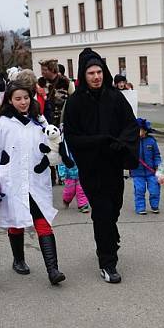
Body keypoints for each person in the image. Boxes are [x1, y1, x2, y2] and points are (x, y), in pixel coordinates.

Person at [63, 47, 139, 284]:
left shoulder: (115, 97)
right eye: (90, 73)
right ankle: (107, 262)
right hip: (91, 168)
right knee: (103, 212)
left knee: (114, 207)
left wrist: (121, 144)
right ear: (83, 76)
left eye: (98, 72)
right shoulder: (75, 103)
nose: (96, 77)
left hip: (113, 165)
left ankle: (110, 235)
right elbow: (72, 137)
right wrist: (99, 141)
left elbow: (131, 125)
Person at [0, 81, 66, 286]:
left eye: (26, 98)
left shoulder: (39, 122)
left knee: (43, 221)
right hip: (12, 180)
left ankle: (53, 269)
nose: (23, 102)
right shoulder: (0, 125)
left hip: (36, 180)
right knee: (16, 220)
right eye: (18, 98)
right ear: (10, 100)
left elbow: (53, 143)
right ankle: (19, 260)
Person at [129, 118, 163, 215]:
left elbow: (156, 155)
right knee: (139, 190)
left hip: (151, 172)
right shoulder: (132, 142)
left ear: (145, 130)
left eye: (139, 129)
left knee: (154, 189)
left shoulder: (151, 141)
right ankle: (140, 208)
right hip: (137, 172)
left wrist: (158, 166)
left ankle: (155, 206)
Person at [61, 143, 90, 213]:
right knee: (69, 190)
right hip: (69, 175)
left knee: (81, 189)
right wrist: (62, 173)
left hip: (81, 173)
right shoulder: (66, 150)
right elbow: (61, 162)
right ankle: (66, 199)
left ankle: (83, 205)